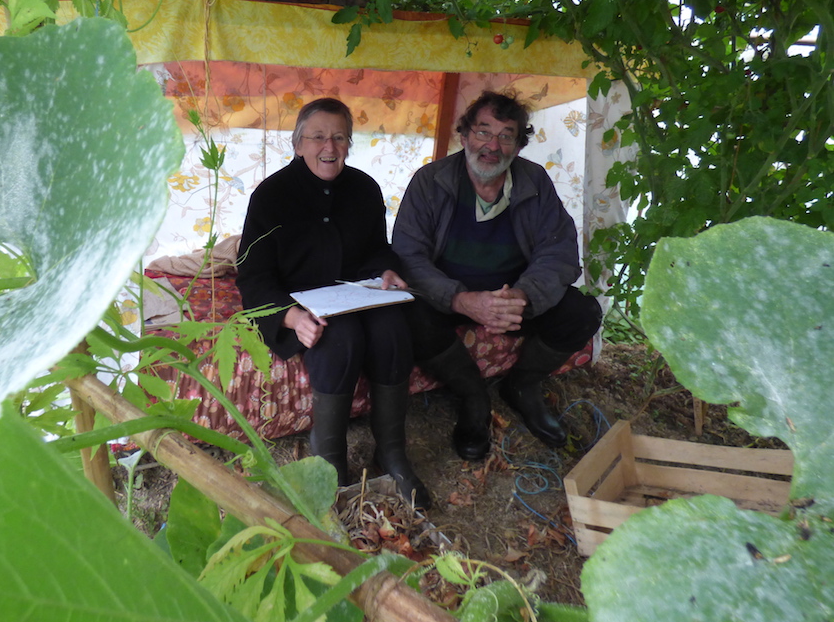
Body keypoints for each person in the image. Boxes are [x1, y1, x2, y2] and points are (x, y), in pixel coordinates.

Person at [236, 97, 430, 509]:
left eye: (339, 137)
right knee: (339, 341)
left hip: (354, 294)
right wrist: (289, 318)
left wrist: (388, 272)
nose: (330, 146)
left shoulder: (364, 189)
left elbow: (378, 249)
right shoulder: (271, 196)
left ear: (349, 143)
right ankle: (331, 467)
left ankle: (391, 453)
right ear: (298, 143)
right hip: (302, 304)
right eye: (319, 136)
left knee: (393, 330)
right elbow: (252, 276)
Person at [391, 91, 603, 458]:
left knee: (582, 312)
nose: (492, 145)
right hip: (448, 297)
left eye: (506, 136)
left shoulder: (534, 181)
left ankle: (522, 385)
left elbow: (560, 251)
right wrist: (460, 299)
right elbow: (409, 256)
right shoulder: (431, 182)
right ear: (464, 136)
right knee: (405, 314)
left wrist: (523, 297)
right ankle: (472, 393)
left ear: (519, 146)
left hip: (511, 299)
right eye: (483, 132)